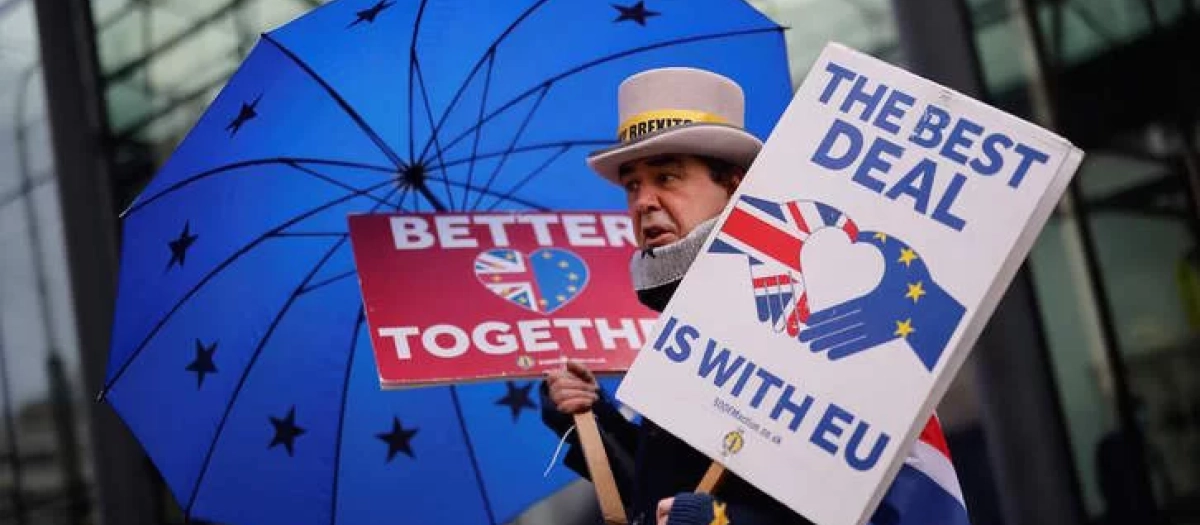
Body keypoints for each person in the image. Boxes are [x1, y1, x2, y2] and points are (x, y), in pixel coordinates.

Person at [539, 67, 812, 525]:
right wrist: (589, 417)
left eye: (666, 178)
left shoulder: (793, 313)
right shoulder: (684, 315)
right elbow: (660, 499)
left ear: (735, 187)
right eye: (632, 186)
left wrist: (724, 521)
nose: (643, 201)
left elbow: (848, 501)